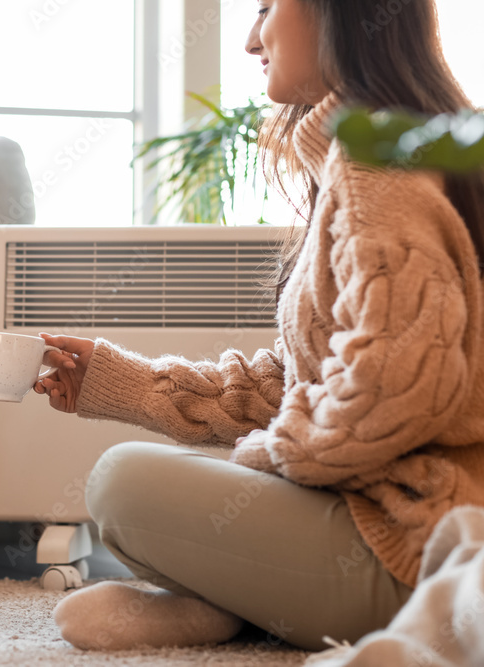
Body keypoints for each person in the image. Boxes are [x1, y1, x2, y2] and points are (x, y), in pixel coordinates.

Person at [35, 0, 484, 653]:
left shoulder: (374, 168)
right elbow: (301, 377)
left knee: (118, 481)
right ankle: (238, 608)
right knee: (155, 476)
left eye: (268, 6)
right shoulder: (379, 153)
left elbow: (400, 383)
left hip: (407, 549)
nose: (251, 39)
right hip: (392, 525)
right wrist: (116, 381)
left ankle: (243, 605)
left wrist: (268, 458)